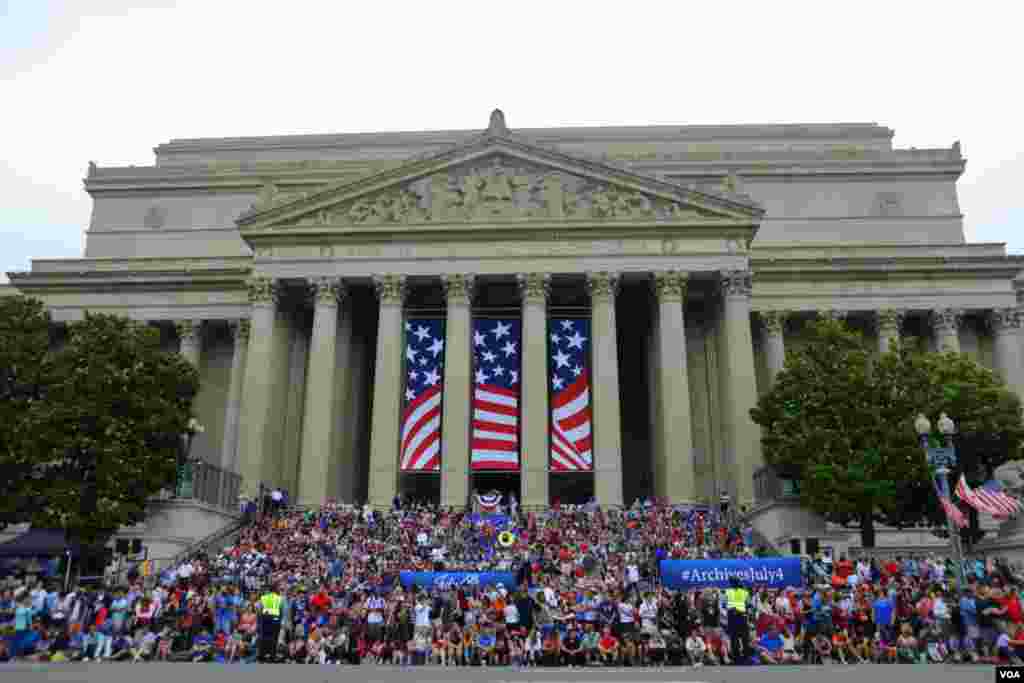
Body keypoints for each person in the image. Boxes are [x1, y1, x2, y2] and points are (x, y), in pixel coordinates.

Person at [724, 577, 750, 664]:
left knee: (735, 638)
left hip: (734, 617)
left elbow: (724, 604)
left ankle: (737, 657)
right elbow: (748, 604)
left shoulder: (728, 592)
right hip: (740, 617)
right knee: (743, 638)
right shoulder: (743, 591)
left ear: (731, 583)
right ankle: (744, 657)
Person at [258, 584, 284, 662]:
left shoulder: (263, 598)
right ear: (276, 590)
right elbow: (281, 610)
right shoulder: (280, 599)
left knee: (264, 637)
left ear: (269, 590)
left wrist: (261, 619)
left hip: (265, 619)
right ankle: (272, 656)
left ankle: (262, 655)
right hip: (275, 620)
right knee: (274, 638)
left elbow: (260, 609)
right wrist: (279, 620)